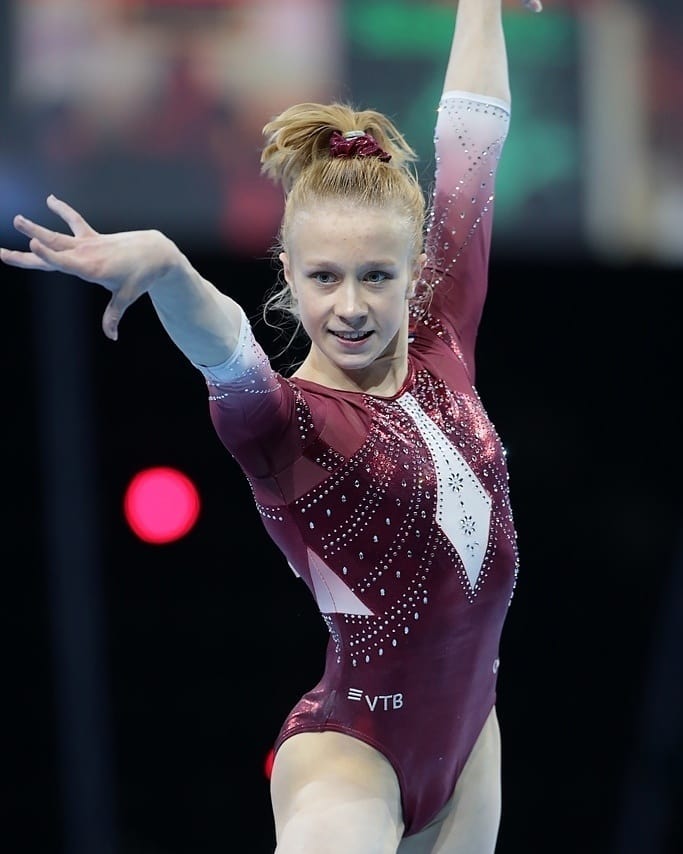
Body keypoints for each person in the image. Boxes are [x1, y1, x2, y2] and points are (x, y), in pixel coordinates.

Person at [1, 0, 543, 851]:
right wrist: (170, 269)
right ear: (287, 270)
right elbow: (225, 346)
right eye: (324, 277)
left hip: (473, 744)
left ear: (415, 274)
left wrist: (480, 6)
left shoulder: (441, 336)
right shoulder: (286, 427)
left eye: (376, 276)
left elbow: (472, 143)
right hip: (353, 754)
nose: (351, 305)